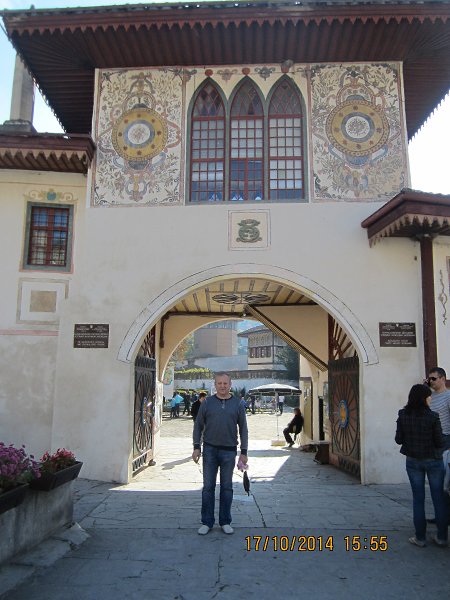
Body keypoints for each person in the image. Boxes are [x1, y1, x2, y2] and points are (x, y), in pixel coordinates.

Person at [192, 372, 248, 536]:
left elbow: (243, 429)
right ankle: (207, 522)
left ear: (230, 385)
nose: (222, 386)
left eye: (225, 383)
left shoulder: (238, 404)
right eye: (219, 383)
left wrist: (244, 452)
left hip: (229, 451)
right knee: (208, 487)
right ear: (215, 385)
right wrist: (196, 447)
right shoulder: (207, 403)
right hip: (210, 450)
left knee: (227, 488)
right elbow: (198, 425)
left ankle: (225, 521)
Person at [395, 383, 448, 547]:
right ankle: (441, 537)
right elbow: (440, 441)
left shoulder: (403, 414)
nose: (431, 398)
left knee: (418, 499)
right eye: (429, 396)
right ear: (424, 398)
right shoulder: (433, 416)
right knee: (438, 499)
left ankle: (420, 538)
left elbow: (398, 439)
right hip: (433, 460)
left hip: (413, 461)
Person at [426, 367, 450, 449]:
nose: (431, 381)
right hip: (430, 437)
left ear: (442, 379)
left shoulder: (448, 396)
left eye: (433, 378)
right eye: (429, 379)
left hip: (444, 437)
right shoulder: (429, 396)